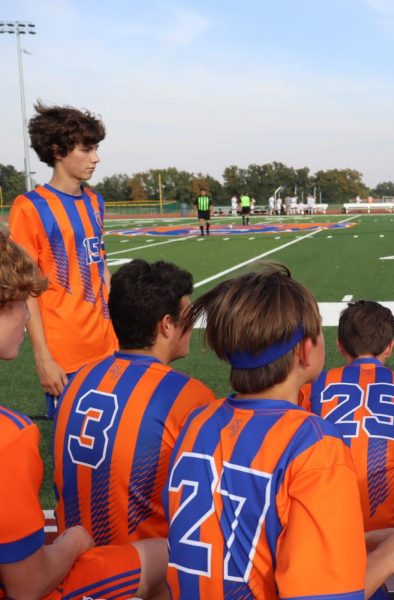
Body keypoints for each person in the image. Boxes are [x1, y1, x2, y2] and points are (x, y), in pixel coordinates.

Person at [168, 265, 394, 597]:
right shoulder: (313, 443)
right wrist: (391, 556)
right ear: (306, 350)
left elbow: (252, 534)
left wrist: (363, 541)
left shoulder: (197, 421)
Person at [0, 230, 166, 600]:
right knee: (162, 555)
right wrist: (76, 540)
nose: (28, 315)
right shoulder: (9, 435)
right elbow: (26, 586)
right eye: (15, 303)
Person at [53, 259, 215, 546]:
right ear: (167, 325)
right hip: (139, 572)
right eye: (187, 317)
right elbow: (203, 506)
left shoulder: (76, 380)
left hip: (72, 557)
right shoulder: (189, 397)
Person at [9, 102, 119, 419]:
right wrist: (43, 357)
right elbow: (26, 288)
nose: (96, 158)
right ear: (57, 150)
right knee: (72, 455)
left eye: (96, 148)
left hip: (109, 347)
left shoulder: (95, 201)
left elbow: (101, 268)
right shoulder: (30, 207)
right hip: (66, 356)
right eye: (86, 149)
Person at [301, 300, 394, 531]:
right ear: (390, 346)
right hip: (393, 523)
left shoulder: (311, 387)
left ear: (340, 346)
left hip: (327, 520)